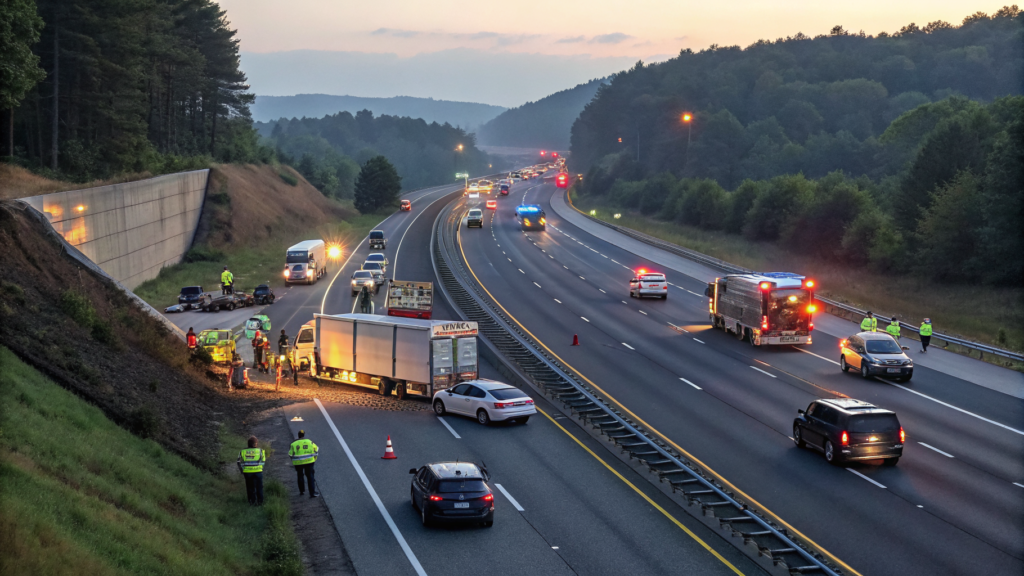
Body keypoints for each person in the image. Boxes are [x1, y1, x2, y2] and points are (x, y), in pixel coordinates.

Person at [288, 430, 319, 498]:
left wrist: (294, 461)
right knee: (310, 476)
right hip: (309, 462)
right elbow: (316, 450)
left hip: (298, 462)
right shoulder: (310, 442)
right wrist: (314, 459)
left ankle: (302, 491)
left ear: (298, 435)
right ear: (304, 435)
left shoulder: (294, 444)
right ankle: (312, 493)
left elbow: (290, 454)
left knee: (300, 475)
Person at [237, 436, 266, 505]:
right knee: (259, 487)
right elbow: (263, 461)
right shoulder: (260, 451)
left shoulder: (242, 451)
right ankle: (260, 502)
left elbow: (238, 461)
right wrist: (260, 467)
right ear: (255, 444)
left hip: (247, 472)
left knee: (250, 487)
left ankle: (251, 502)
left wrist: (241, 470)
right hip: (258, 471)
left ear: (248, 444)